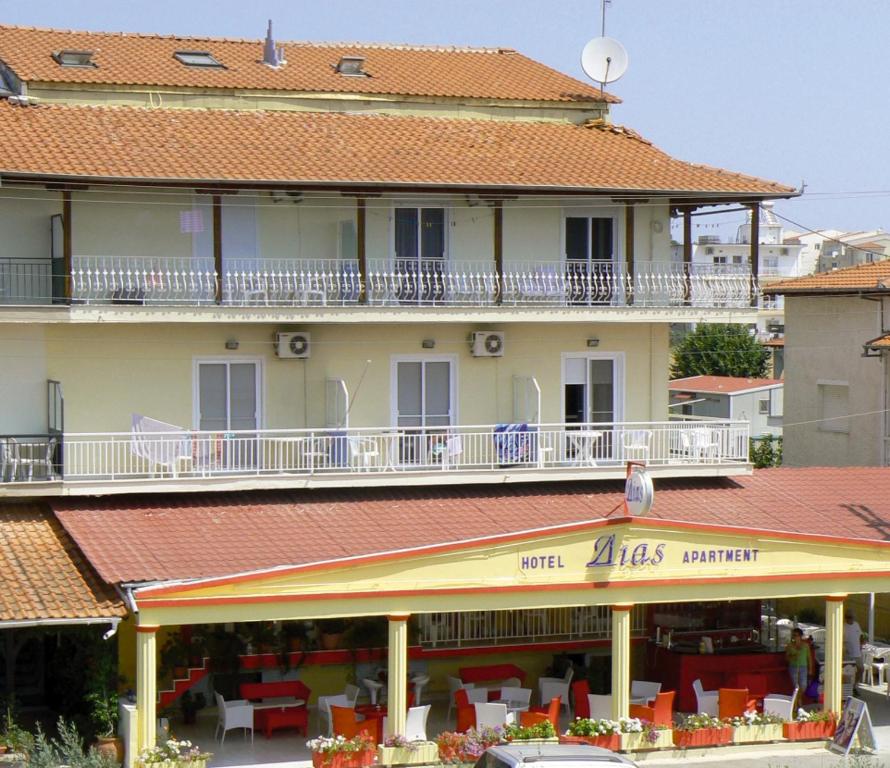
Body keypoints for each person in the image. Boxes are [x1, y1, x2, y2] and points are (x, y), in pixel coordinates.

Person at [786, 627, 809, 693]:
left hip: (803, 667)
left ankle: (798, 699)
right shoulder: (789, 646)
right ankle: (799, 701)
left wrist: (810, 670)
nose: (795, 637)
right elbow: (786, 658)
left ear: (800, 636)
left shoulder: (805, 645)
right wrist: (793, 656)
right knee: (796, 686)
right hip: (793, 667)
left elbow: (809, 657)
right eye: (794, 635)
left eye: (797, 635)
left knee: (804, 685)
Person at [843, 612, 864, 684]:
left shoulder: (856, 624)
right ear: (845, 618)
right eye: (848, 617)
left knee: (861, 669)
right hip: (848, 654)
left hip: (857, 653)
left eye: (851, 617)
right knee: (848, 671)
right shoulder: (843, 626)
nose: (850, 619)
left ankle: (855, 684)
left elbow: (861, 635)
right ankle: (848, 687)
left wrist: (861, 644)